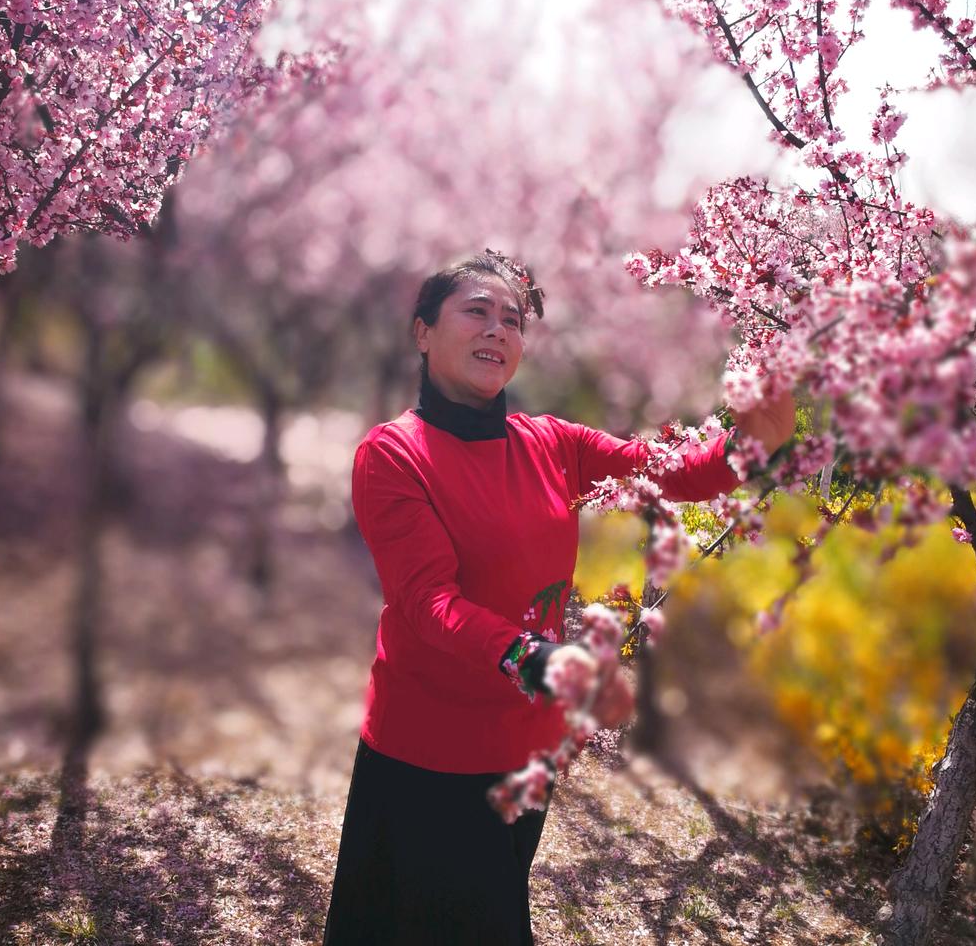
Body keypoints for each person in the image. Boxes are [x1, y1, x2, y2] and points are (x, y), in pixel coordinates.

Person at [321, 251, 795, 946]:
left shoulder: (553, 443)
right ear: (422, 333)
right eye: (476, 312)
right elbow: (427, 601)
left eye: (512, 320)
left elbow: (676, 475)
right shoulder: (394, 454)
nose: (498, 331)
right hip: (429, 755)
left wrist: (752, 443)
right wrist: (533, 657)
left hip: (527, 747)